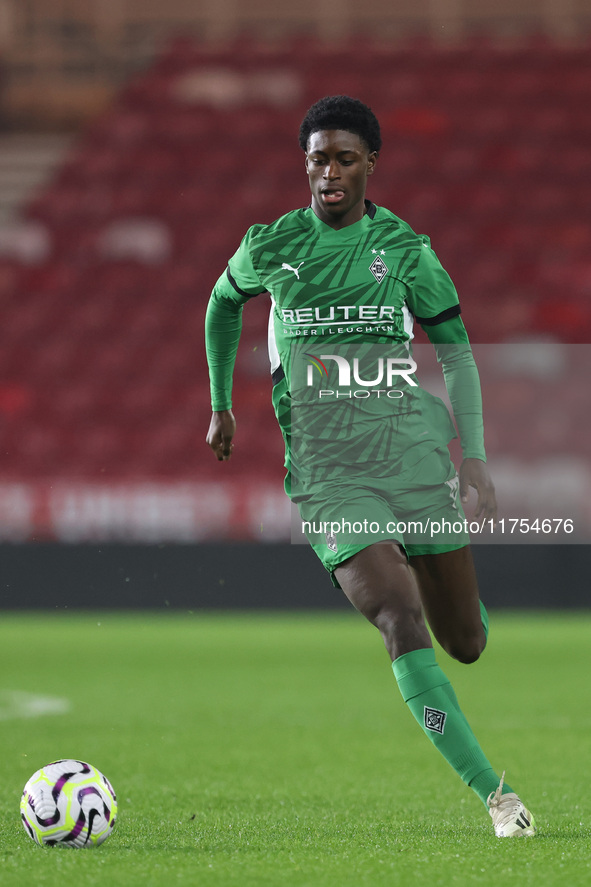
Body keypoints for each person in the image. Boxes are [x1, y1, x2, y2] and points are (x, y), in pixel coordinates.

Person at [205, 95, 536, 837]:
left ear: (369, 165)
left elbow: (455, 350)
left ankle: (429, 564)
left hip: (409, 451)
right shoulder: (268, 245)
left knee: (467, 641)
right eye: (317, 158)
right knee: (396, 613)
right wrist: (222, 402)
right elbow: (220, 306)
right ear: (306, 164)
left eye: (343, 158)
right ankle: (497, 796)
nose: (328, 172)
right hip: (328, 472)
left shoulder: (406, 251)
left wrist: (473, 457)